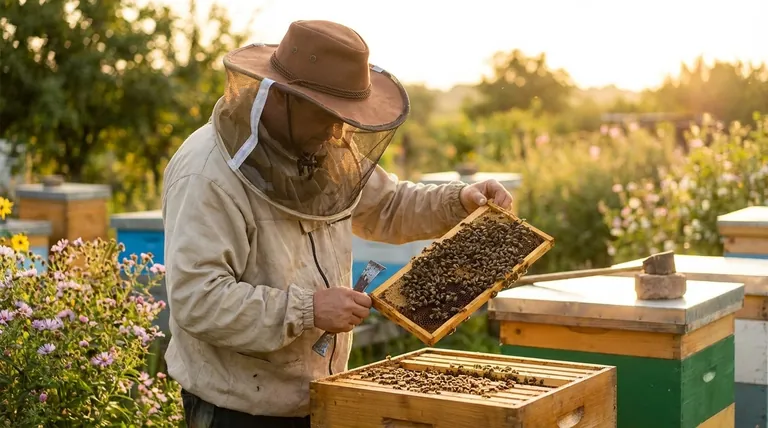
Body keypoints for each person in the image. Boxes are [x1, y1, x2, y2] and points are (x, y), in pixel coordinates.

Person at [161, 19, 513, 427]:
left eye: (346, 116)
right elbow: (197, 299)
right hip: (238, 410)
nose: (338, 130)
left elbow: (388, 206)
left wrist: (458, 200)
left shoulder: (319, 148)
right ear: (282, 97)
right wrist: (307, 309)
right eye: (327, 114)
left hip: (319, 396)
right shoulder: (206, 174)